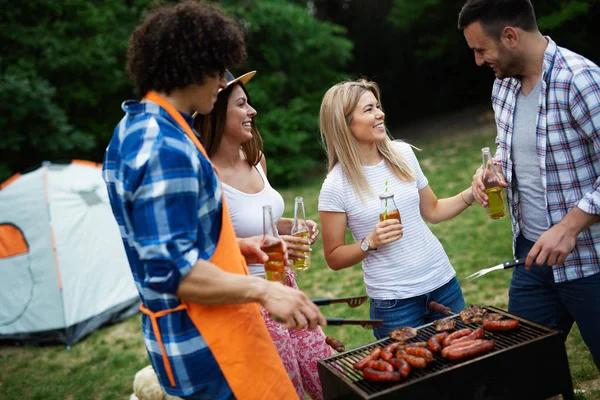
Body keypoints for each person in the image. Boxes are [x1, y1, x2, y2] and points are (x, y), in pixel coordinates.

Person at [101, 2, 326, 399]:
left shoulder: (138, 125)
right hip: (208, 345)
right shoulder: (162, 146)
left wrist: (240, 246)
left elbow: (168, 240)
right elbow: (174, 272)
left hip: (207, 336)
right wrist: (265, 290)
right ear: (193, 66)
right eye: (217, 70)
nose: (222, 85)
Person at [458, 0, 600, 371]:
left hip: (590, 263)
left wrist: (570, 227)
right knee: (521, 373)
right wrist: (491, 169)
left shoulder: (579, 80)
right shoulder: (502, 87)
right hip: (530, 257)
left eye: (480, 50)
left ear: (510, 37)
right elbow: (511, 146)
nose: (477, 61)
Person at [195, 70, 334, 400]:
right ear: (216, 111)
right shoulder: (205, 177)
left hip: (285, 285)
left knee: (324, 373)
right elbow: (210, 247)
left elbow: (258, 221)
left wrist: (287, 227)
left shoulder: (256, 159)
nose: (252, 111)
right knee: (287, 389)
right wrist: (256, 246)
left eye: (249, 103)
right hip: (252, 302)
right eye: (241, 104)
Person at [317, 78, 472, 340]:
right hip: (394, 305)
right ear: (344, 123)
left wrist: (472, 193)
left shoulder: (402, 153)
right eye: (369, 110)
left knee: (465, 367)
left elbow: (433, 210)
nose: (381, 114)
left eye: (378, 106)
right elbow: (333, 257)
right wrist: (371, 242)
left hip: (443, 283)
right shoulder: (335, 185)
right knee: (414, 379)